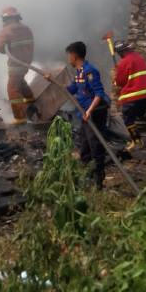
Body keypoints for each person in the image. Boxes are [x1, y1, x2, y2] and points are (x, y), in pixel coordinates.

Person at [45, 41, 109, 189]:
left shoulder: (89, 71)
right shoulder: (79, 73)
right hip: (85, 116)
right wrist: (51, 81)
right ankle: (86, 177)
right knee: (85, 146)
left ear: (73, 56)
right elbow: (70, 90)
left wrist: (89, 110)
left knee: (96, 146)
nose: (68, 59)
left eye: (69, 56)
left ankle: (98, 181)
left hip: (94, 114)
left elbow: (99, 94)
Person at [112, 40, 146, 152]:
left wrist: (115, 81)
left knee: (127, 117)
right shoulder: (139, 57)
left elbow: (121, 81)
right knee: (141, 112)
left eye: (119, 53)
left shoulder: (123, 62)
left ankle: (137, 141)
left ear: (121, 52)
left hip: (135, 94)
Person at [0, 6, 37, 124]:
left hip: (16, 63)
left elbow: (0, 48)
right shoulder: (27, 28)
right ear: (17, 16)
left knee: (12, 89)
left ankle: (20, 117)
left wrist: (6, 46)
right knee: (20, 80)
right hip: (26, 62)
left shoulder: (7, 30)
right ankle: (29, 98)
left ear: (5, 19)